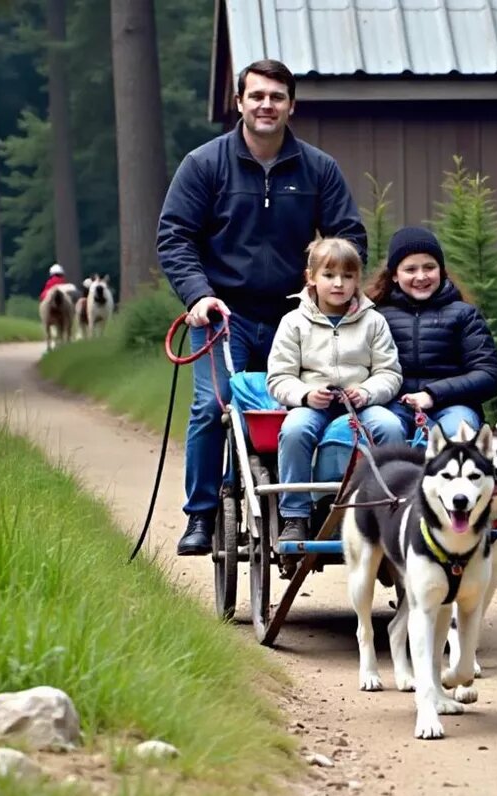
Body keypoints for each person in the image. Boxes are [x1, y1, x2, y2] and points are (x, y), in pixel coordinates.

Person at [156, 58, 368, 557]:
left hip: (297, 319)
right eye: (257, 96)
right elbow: (175, 237)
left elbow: (348, 235)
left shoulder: (318, 169)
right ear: (240, 103)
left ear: (292, 105)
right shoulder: (204, 164)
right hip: (222, 316)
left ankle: (303, 507)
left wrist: (328, 289)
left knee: (294, 408)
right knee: (214, 407)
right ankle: (202, 516)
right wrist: (197, 294)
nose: (266, 105)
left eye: (276, 97)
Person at [266, 238, 402, 542]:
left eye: (348, 276)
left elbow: (389, 373)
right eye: (329, 275)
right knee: (294, 431)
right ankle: (296, 516)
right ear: (311, 278)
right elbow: (279, 377)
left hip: (362, 405)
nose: (338, 283)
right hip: (313, 404)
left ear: (357, 279)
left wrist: (366, 392)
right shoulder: (293, 323)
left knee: (391, 426)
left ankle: (387, 511)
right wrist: (305, 395)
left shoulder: (374, 322)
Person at [365, 226, 497, 441]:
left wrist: (432, 394)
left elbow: (489, 374)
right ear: (394, 275)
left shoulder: (464, 314)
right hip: (392, 406)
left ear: (441, 270)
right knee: (383, 428)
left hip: (452, 406)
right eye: (410, 270)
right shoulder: (375, 316)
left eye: (429, 267)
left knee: (459, 432)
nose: (421, 276)